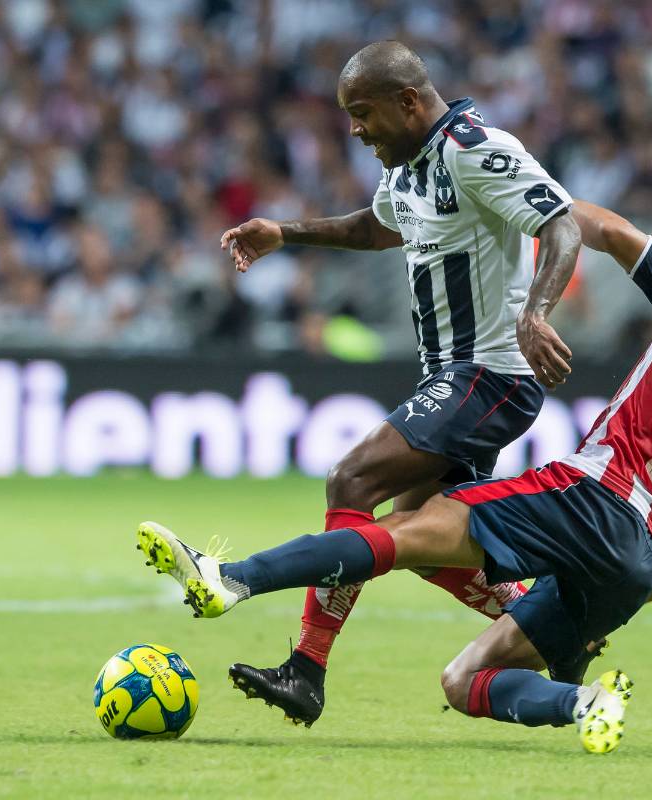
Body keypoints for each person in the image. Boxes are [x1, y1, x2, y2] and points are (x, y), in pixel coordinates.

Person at [134, 206, 652, 753]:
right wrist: (643, 589)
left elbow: (609, 230)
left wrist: (537, 208)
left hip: (591, 496)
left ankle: (231, 579)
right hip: (640, 555)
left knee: (406, 527)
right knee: (464, 678)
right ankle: (584, 702)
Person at [215, 41, 583, 726]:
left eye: (363, 114)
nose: (355, 130)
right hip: (453, 375)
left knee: (351, 480)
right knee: (413, 538)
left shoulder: (474, 148)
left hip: (490, 372)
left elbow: (561, 220)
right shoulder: (408, 166)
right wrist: (285, 233)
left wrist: (536, 312)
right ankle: (557, 628)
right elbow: (377, 227)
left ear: (409, 101)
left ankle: (306, 670)